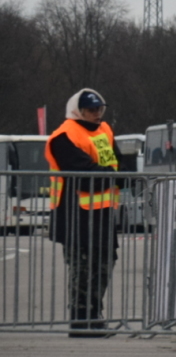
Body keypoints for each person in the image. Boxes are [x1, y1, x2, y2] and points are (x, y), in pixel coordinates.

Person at [44, 88, 121, 337]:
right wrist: (113, 176)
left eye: (100, 109)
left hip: (103, 215)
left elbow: (118, 162)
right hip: (76, 217)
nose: (97, 114)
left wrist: (114, 175)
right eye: (91, 110)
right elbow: (84, 174)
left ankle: (94, 317)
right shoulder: (63, 136)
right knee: (82, 270)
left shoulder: (105, 130)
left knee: (104, 267)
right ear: (78, 111)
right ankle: (80, 321)